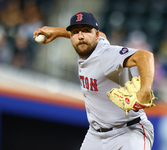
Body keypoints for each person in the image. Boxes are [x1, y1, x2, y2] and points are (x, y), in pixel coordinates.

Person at [33, 12, 155, 150]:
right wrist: (57, 31)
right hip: (96, 136)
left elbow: (145, 56)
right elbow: (96, 35)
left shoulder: (106, 55)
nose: (80, 36)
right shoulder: (96, 42)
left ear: (95, 35)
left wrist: (145, 88)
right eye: (75, 32)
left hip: (129, 132)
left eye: (86, 31)